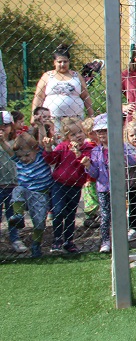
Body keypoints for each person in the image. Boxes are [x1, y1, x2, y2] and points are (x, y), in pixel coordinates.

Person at [42, 117, 93, 254]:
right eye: (73, 134)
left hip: (75, 186)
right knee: (58, 211)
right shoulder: (63, 147)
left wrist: (78, 154)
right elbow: (51, 160)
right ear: (67, 137)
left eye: (80, 132)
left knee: (71, 214)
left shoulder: (88, 148)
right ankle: (57, 240)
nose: (78, 136)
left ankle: (68, 241)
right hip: (59, 184)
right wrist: (48, 148)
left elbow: (86, 163)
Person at [3, 132, 55, 258]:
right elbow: (10, 151)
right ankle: (18, 216)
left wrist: (42, 127)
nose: (24, 159)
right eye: (20, 156)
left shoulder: (40, 156)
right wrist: (2, 141)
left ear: (35, 150)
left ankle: (36, 245)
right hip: (26, 193)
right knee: (17, 190)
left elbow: (42, 141)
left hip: (40, 194)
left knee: (39, 222)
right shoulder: (19, 161)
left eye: (27, 155)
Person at [31, 45, 94, 134]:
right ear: (54, 62)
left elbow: (85, 96)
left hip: (75, 119)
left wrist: (91, 115)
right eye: (59, 62)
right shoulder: (47, 76)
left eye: (65, 61)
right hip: (53, 119)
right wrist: (34, 116)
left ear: (69, 62)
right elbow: (39, 97)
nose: (62, 64)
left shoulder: (76, 76)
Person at [82, 114, 113, 253]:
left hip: (119, 187)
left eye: (105, 130)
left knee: (121, 215)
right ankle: (106, 241)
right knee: (105, 216)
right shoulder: (95, 151)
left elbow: (131, 161)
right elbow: (94, 174)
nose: (101, 134)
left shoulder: (121, 147)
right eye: (99, 131)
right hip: (103, 188)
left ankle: (120, 239)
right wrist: (88, 165)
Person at [0, 111, 25, 253]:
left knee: (13, 215)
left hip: (13, 184)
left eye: (5, 125)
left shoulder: (16, 141)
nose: (2, 128)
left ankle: (15, 239)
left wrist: (3, 141)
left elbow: (15, 155)